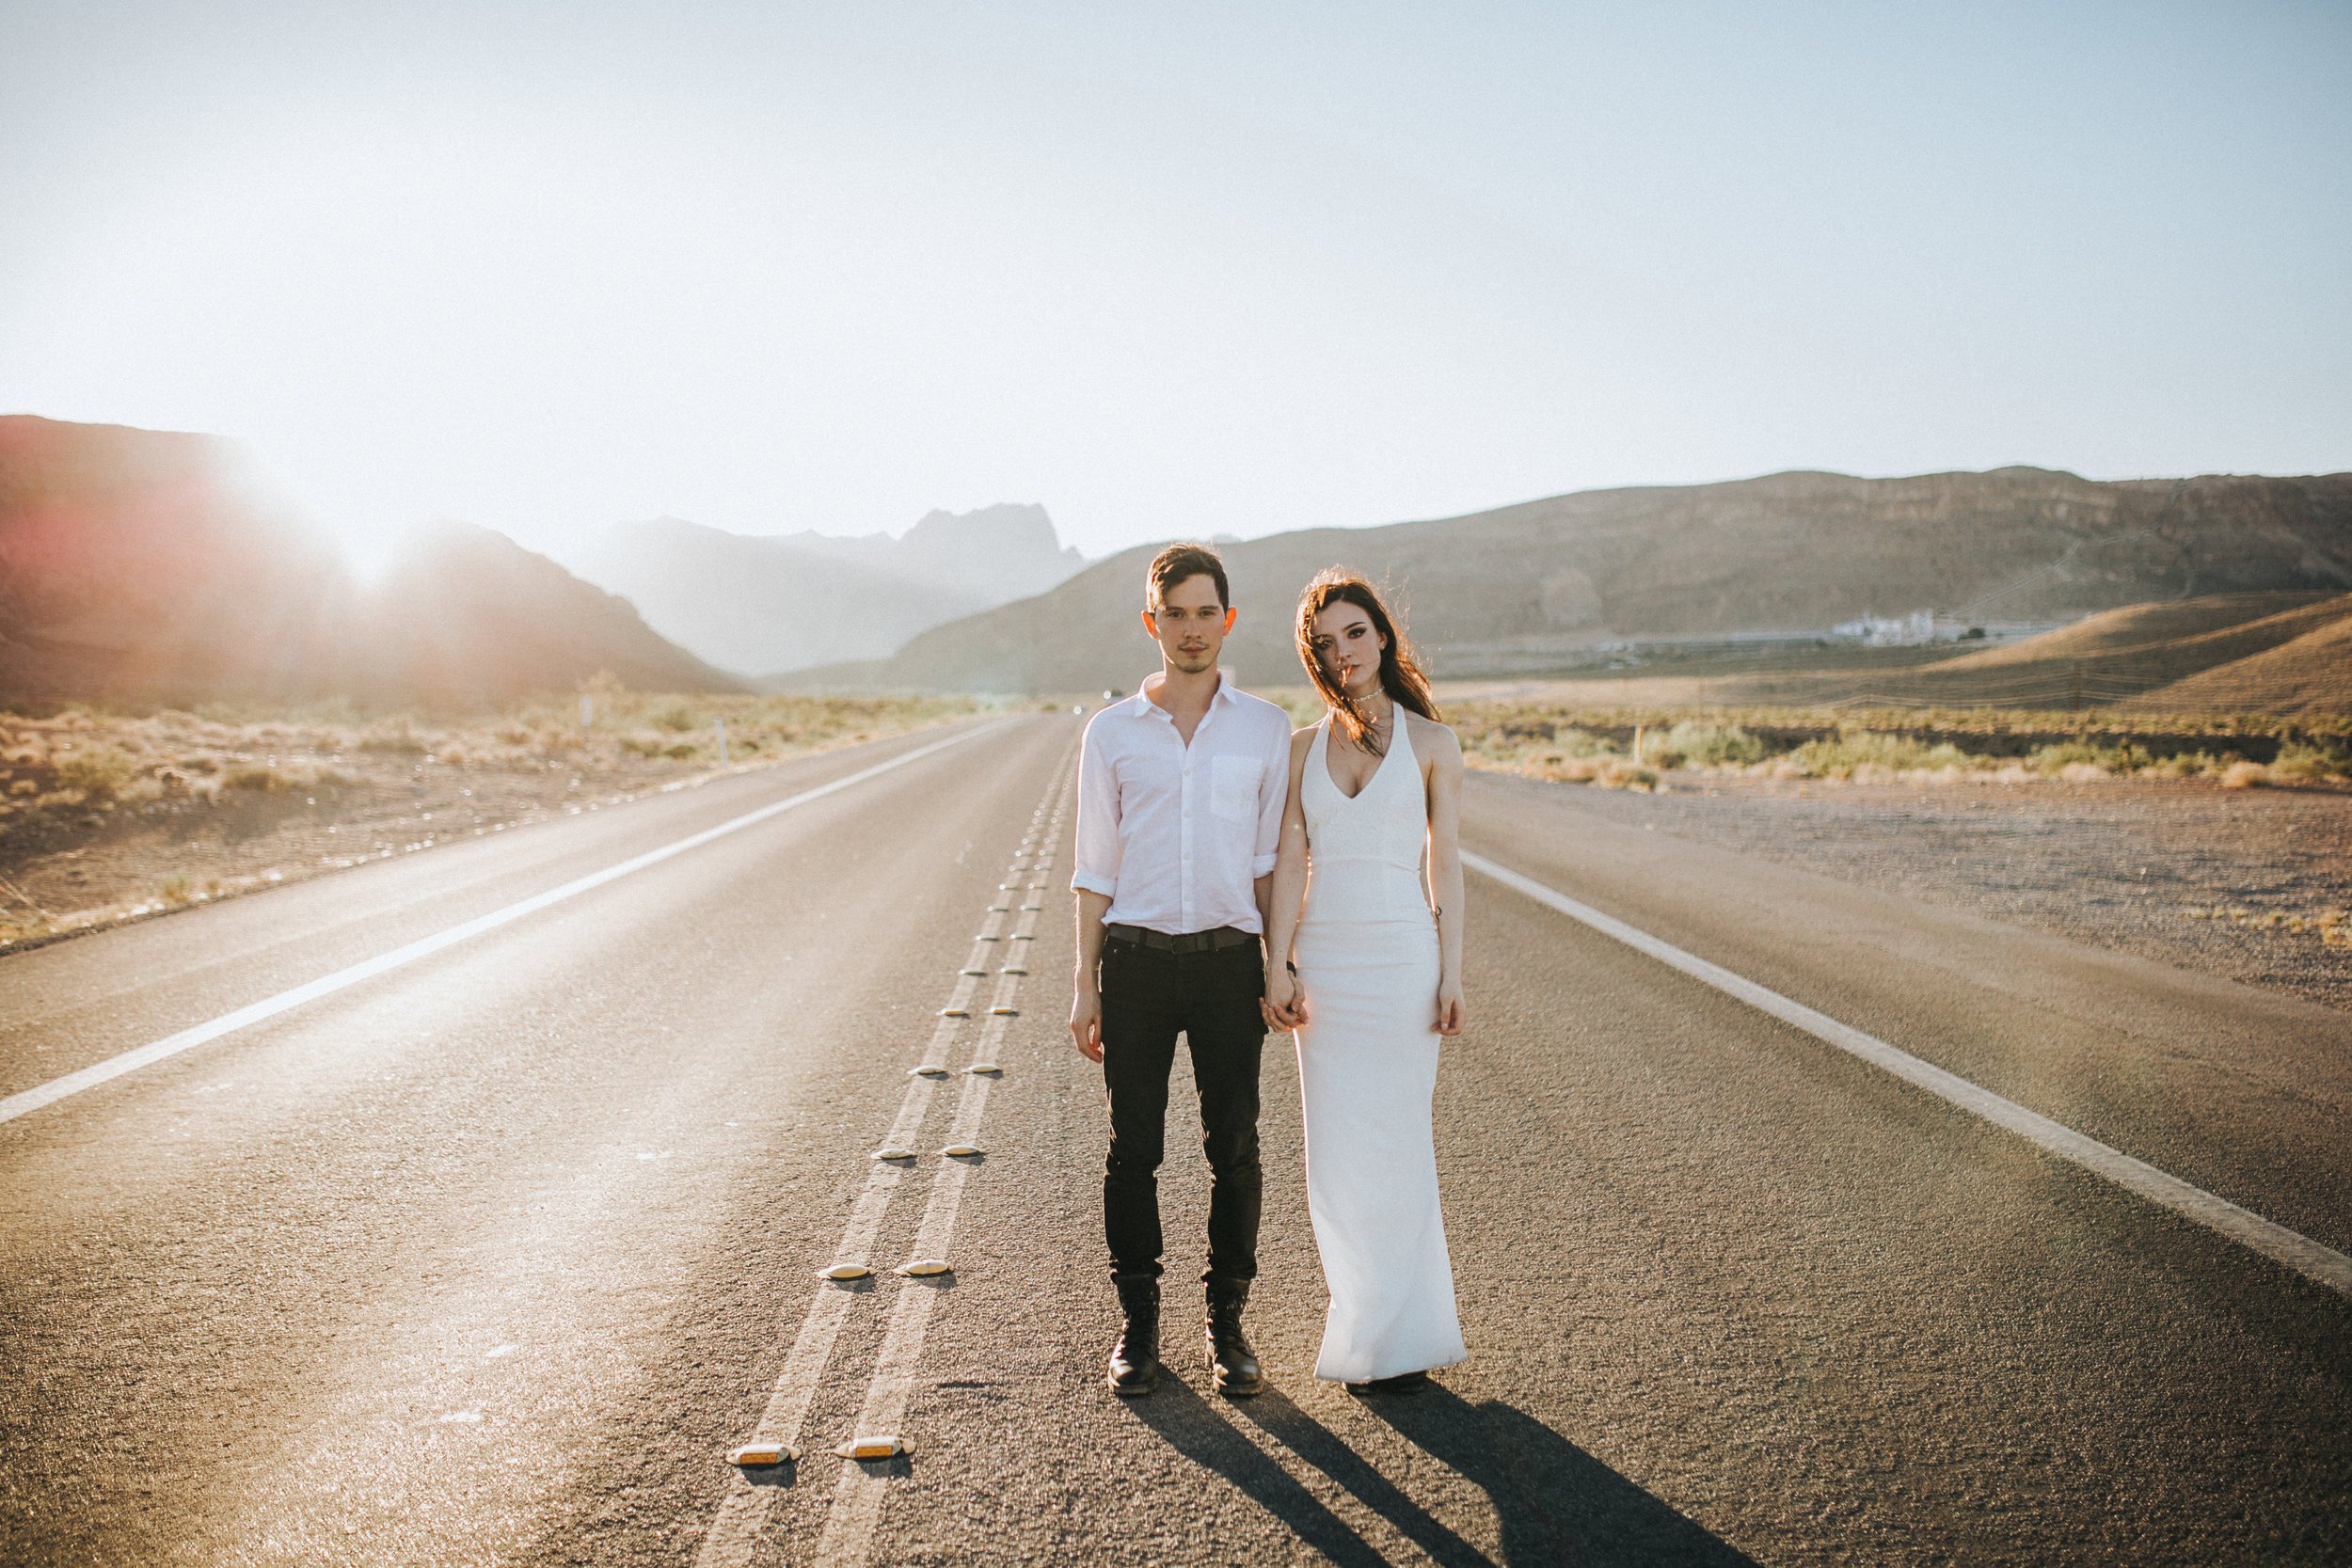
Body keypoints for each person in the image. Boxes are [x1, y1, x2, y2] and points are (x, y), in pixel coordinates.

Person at [1069, 542, 1294, 1398]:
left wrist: (1282, 963)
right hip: (1136, 965)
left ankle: (1227, 1324)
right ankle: (1139, 1326)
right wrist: (1084, 982)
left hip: (1229, 965)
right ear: (1150, 621)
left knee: (1235, 1148)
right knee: (1135, 1153)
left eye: (1207, 613)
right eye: (1176, 613)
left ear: (1227, 620)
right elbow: (1094, 867)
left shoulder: (1266, 728)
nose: (1192, 629)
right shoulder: (1112, 733)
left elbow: (1272, 862)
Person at [1261, 568, 1469, 1394]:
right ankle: (1360, 1325)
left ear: (1382, 635)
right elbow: (1286, 863)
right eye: (1325, 642)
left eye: (1354, 632)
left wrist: (1453, 971)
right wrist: (1278, 961)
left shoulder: (1432, 745)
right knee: (1336, 1156)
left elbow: (1444, 865)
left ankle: (1407, 1334)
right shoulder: (1300, 750)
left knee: (1400, 1143)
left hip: (1404, 959)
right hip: (1329, 967)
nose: (1342, 651)